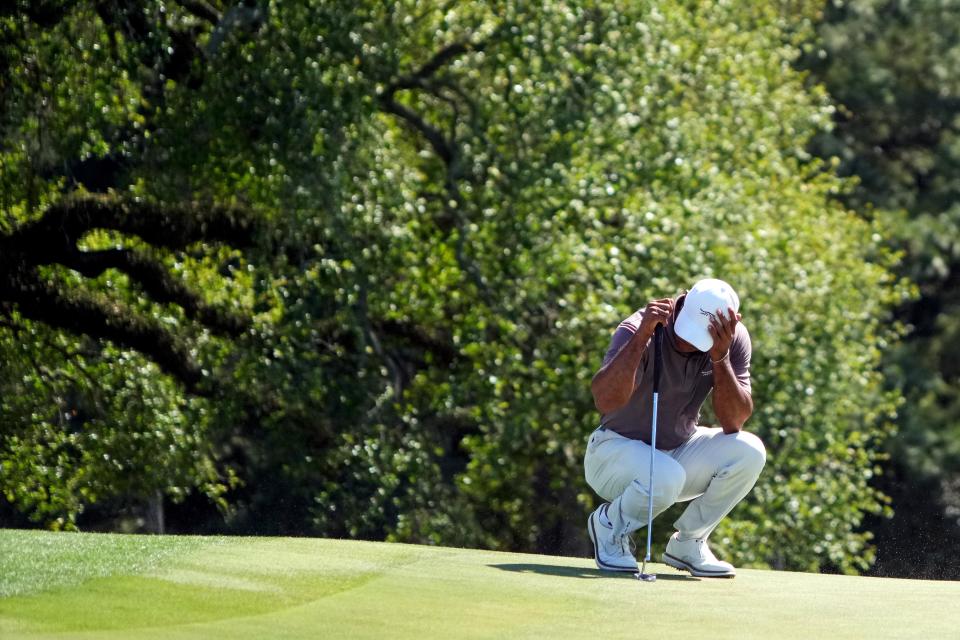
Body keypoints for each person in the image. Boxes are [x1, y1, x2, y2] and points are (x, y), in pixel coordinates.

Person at [584, 278, 766, 577]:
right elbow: (605, 401)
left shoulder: (732, 339)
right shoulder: (640, 325)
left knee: (749, 450)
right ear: (682, 304)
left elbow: (734, 421)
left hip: (676, 454)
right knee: (665, 474)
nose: (687, 343)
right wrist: (642, 337)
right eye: (686, 332)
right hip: (611, 452)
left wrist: (719, 356)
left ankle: (689, 542)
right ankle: (609, 526)